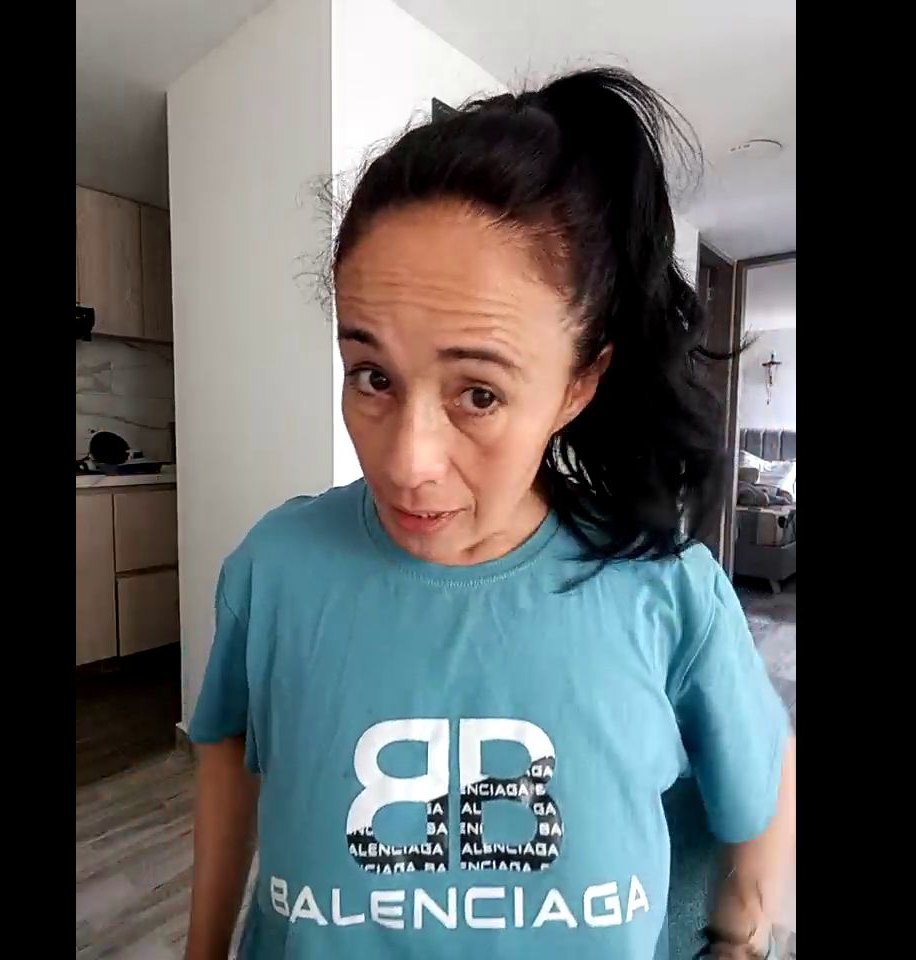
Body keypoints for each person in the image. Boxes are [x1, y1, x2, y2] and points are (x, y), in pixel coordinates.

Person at [183, 68, 796, 960]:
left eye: (478, 393)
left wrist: (741, 938)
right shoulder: (276, 567)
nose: (407, 462)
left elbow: (764, 780)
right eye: (372, 376)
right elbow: (226, 742)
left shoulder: (667, 592)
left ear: (578, 384)